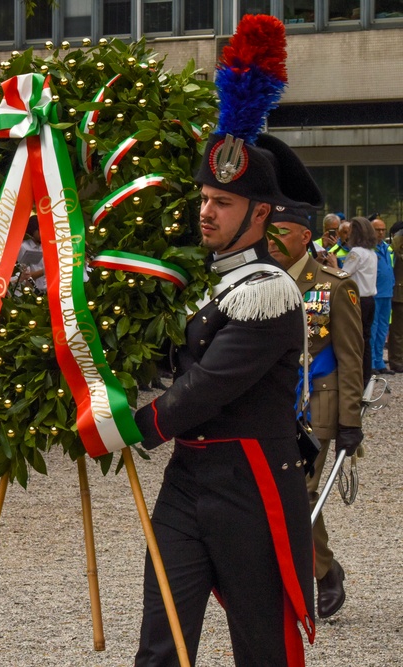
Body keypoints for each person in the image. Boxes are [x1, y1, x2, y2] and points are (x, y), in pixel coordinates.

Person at [131, 18, 318, 662]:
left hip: (251, 485)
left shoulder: (270, 292)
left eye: (225, 202)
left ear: (261, 214)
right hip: (187, 481)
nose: (207, 211)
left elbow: (206, 388)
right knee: (161, 642)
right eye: (206, 197)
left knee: (260, 648)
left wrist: (128, 425)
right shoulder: (202, 283)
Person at [269, 204, 365, 622]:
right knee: (272, 490)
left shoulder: (333, 285)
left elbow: (351, 358)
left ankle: (322, 575)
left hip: (317, 403)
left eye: (281, 232)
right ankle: (323, 568)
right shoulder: (262, 281)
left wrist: (350, 422)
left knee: (300, 491)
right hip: (270, 404)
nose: (271, 241)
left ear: (305, 237)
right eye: (267, 232)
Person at [340, 216, 378, 387]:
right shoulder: (372, 253)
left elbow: (343, 275)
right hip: (370, 300)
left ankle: (355, 377)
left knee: (354, 340)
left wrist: (333, 263)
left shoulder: (356, 253)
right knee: (366, 339)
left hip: (357, 300)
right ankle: (365, 377)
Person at [370, 216, 394, 374]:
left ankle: (379, 362)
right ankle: (371, 362)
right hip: (374, 293)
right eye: (377, 230)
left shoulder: (386, 247)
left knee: (383, 329)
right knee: (373, 328)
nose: (381, 232)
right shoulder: (368, 248)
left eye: (383, 229)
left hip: (387, 293)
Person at [389, 223, 403, 372]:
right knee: (398, 331)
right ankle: (396, 360)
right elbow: (395, 251)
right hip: (399, 294)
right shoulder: (398, 242)